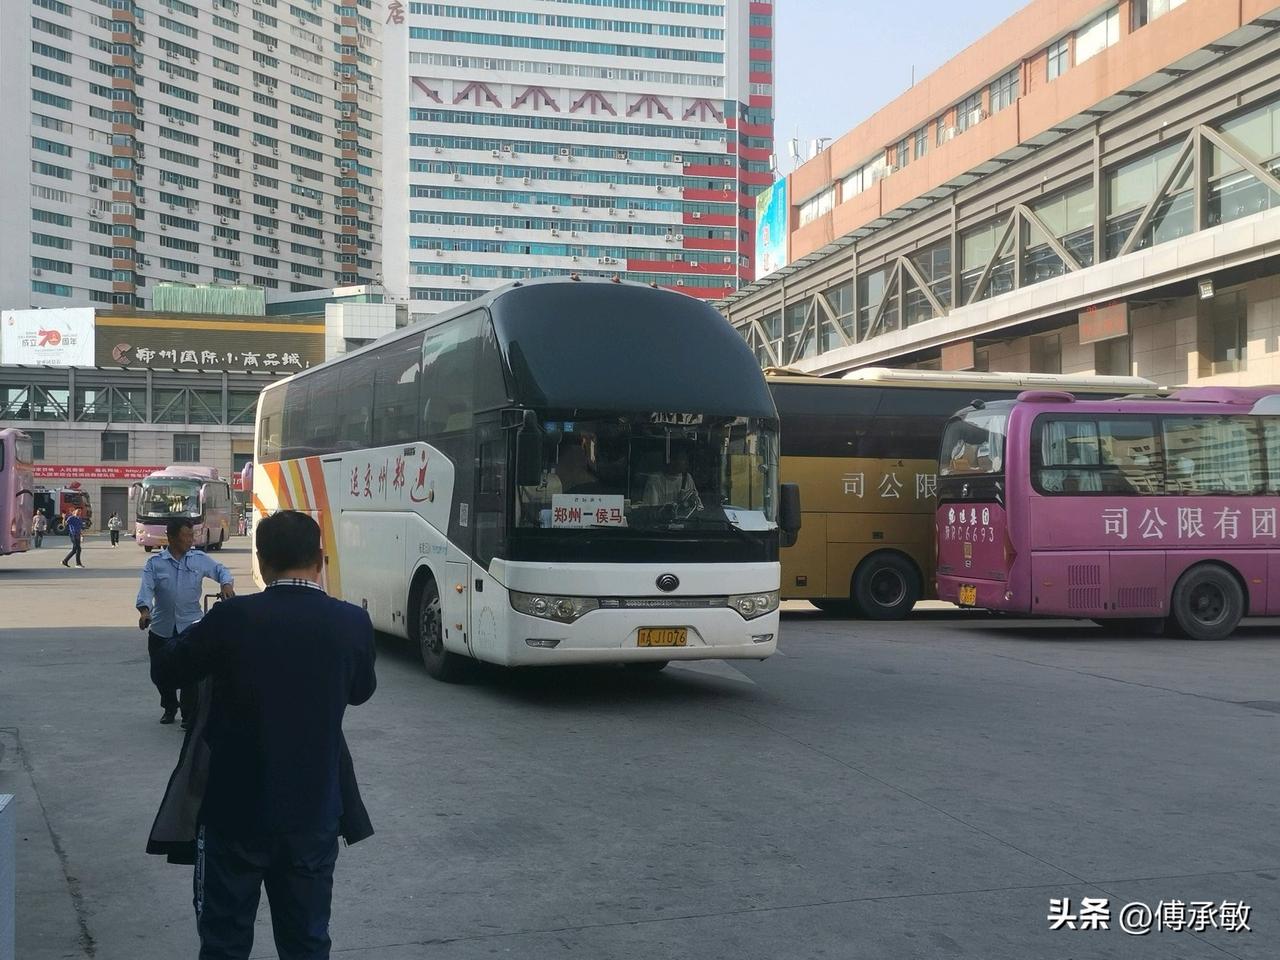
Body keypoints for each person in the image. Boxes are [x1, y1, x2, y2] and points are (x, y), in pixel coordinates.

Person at [149, 510, 376, 960]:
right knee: (307, 941)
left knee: (225, 942)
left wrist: (193, 628)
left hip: (234, 812)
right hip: (313, 813)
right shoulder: (352, 622)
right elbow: (360, 692)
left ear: (262, 561)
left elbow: (168, 669)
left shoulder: (231, 618)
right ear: (320, 559)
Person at [136, 519, 235, 728]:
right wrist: (145, 611)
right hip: (161, 627)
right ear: (171, 538)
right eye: (186, 536)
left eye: (192, 535)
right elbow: (146, 589)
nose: (191, 540)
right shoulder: (155, 564)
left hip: (191, 627)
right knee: (161, 673)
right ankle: (169, 706)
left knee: (191, 673)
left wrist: (226, 584)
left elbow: (221, 570)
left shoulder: (199, 559)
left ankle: (189, 715)